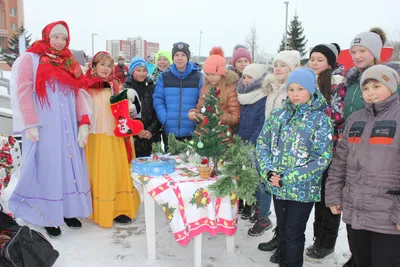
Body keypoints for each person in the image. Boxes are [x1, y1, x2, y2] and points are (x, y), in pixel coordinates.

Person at [8, 21, 92, 238]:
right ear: (47, 36)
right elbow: (23, 90)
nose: (60, 41)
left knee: (67, 167)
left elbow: (78, 92)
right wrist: (30, 122)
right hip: (44, 125)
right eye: (56, 36)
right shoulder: (32, 58)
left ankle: (67, 210)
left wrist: (83, 122)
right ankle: (46, 215)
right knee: (47, 169)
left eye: (64, 38)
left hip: (67, 125)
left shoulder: (70, 61)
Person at [257, 68, 333, 267]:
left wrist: (287, 177)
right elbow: (263, 144)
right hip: (277, 186)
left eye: (300, 89)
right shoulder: (277, 116)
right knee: (283, 230)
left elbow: (322, 159)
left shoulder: (320, 120)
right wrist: (269, 172)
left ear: (311, 90)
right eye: (291, 89)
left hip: (303, 190)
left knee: (293, 233)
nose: (295, 94)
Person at [325, 65, 400, 267]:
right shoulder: (355, 119)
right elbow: (340, 160)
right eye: (366, 88)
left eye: (377, 86)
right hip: (356, 212)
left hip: (389, 218)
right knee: (360, 261)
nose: (370, 92)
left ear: (392, 86)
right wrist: (333, 194)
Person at [341, 27, 400, 267]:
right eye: (353, 51)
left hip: (386, 192)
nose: (371, 93)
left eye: (362, 50)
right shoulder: (352, 84)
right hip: (355, 154)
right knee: (363, 250)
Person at [84, 51, 141, 228]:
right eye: (102, 64)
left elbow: (125, 109)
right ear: (94, 66)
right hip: (94, 137)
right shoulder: (85, 86)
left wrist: (130, 109)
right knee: (98, 172)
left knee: (116, 170)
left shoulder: (116, 85)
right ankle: (97, 207)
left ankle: (119, 208)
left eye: (109, 65)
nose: (106, 69)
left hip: (115, 136)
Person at [257, 50, 301, 264]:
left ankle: (285, 242)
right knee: (278, 201)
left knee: (289, 208)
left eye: (283, 65)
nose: (278, 68)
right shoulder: (272, 88)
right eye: (276, 64)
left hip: (289, 155)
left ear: (292, 68)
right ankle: (279, 237)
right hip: (272, 151)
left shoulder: (292, 91)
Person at [306, 43, 346, 261]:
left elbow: (338, 116)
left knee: (328, 198)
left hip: (332, 150)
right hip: (313, 150)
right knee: (316, 198)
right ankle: (317, 238)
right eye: (312, 58)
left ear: (330, 63)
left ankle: (327, 243)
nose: (314, 63)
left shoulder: (338, 84)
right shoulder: (310, 82)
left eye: (319, 59)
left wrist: (318, 104)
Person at [153, 42, 203, 151]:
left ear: (188, 57)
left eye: (183, 55)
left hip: (192, 131)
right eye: (176, 55)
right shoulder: (164, 77)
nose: (179, 58)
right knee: (171, 163)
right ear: (173, 57)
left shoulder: (198, 77)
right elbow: (158, 99)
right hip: (170, 131)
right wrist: (165, 118)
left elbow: (202, 100)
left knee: (191, 165)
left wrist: (197, 118)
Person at [188, 47, 240, 137]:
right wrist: (194, 114)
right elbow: (200, 108)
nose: (209, 77)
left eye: (213, 74)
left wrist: (218, 115)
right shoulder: (206, 87)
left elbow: (235, 118)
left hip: (221, 137)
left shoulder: (230, 89)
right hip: (204, 135)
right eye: (207, 74)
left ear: (221, 73)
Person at [124, 56, 161, 157]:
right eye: (138, 70)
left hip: (150, 138)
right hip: (132, 138)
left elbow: (158, 111)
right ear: (132, 71)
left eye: (144, 70)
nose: (141, 73)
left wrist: (150, 130)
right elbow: (123, 115)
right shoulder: (124, 88)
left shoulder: (152, 88)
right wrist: (136, 130)